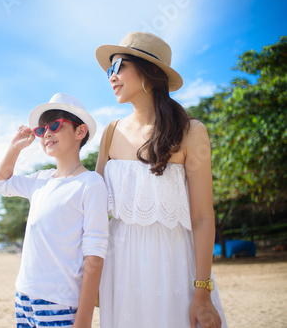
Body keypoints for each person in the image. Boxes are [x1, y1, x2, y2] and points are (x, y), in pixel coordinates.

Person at [94, 32, 227, 328]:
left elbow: (203, 217)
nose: (111, 77)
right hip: (119, 269)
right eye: (108, 70)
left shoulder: (192, 131)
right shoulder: (110, 133)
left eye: (118, 67)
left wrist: (202, 291)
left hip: (174, 264)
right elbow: (94, 211)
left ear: (148, 72)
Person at [0, 93, 109, 328]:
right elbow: (0, 184)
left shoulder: (91, 184)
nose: (47, 133)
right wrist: (15, 148)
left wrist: (84, 319)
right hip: (24, 295)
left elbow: (95, 257)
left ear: (80, 131)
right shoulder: (40, 180)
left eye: (55, 125)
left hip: (59, 301)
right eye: (42, 129)